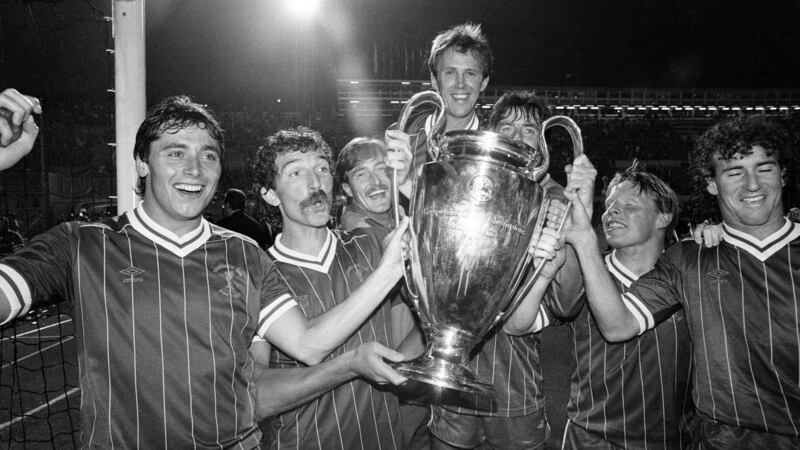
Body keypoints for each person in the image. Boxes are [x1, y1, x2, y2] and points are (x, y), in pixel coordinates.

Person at [0, 93, 409, 448]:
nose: (195, 169)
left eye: (208, 155)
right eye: (176, 153)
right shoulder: (81, 244)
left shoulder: (244, 253)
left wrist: (391, 265)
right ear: (142, 163)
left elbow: (307, 343)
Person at [557, 116, 800, 448]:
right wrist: (584, 238)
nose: (752, 184)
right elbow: (618, 326)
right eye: (734, 172)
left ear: (783, 174)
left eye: (765, 168)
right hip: (719, 439)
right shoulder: (687, 258)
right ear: (712, 183)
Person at [251, 127, 411, 449]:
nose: (315, 183)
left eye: (322, 168)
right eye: (296, 172)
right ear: (270, 194)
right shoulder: (256, 271)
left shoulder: (370, 244)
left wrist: (409, 183)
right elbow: (258, 396)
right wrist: (349, 366)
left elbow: (445, 292)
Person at [560, 162, 695, 449]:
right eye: (609, 206)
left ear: (664, 217)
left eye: (630, 205)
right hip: (589, 438)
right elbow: (519, 323)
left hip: (668, 440)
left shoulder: (693, 272)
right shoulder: (583, 270)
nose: (612, 212)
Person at [385, 22, 492, 180]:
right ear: (434, 80)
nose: (460, 84)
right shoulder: (402, 135)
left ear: (484, 82)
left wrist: (405, 182)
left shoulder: (492, 146)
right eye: (450, 73)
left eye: (470, 73)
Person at [334, 137, 394, 230]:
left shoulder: (398, 212)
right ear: (348, 189)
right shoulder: (359, 232)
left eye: (380, 169)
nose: (376, 181)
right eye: (361, 174)